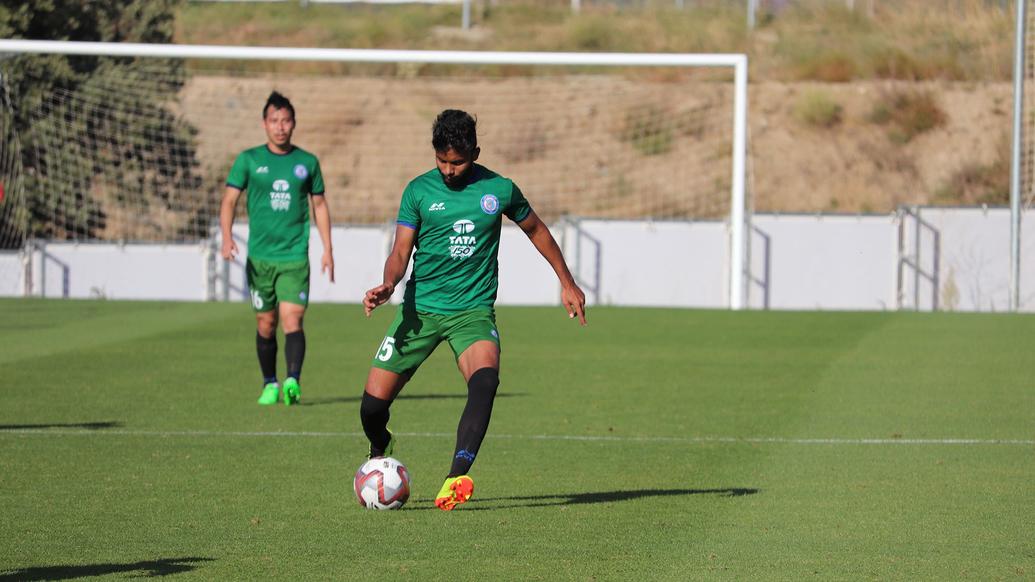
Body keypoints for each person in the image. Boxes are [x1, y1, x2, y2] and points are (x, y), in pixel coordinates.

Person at [360, 109, 586, 511]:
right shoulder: (418, 191)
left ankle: (456, 477)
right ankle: (381, 444)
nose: (448, 169)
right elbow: (400, 251)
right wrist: (389, 284)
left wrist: (566, 281)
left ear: (475, 152)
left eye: (458, 161)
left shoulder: (499, 189)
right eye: (442, 160)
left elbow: (536, 229)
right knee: (372, 407)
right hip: (420, 312)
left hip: (473, 312)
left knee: (485, 381)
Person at [220, 91, 334, 406]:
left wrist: (328, 249)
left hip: (294, 257)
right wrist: (227, 237)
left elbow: (320, 205)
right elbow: (229, 200)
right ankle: (270, 383)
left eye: (285, 120)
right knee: (265, 323)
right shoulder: (249, 160)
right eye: (274, 121)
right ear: (264, 124)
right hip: (260, 258)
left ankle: (292, 381)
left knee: (292, 319)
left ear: (293, 123)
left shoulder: (307, 162)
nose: (280, 127)